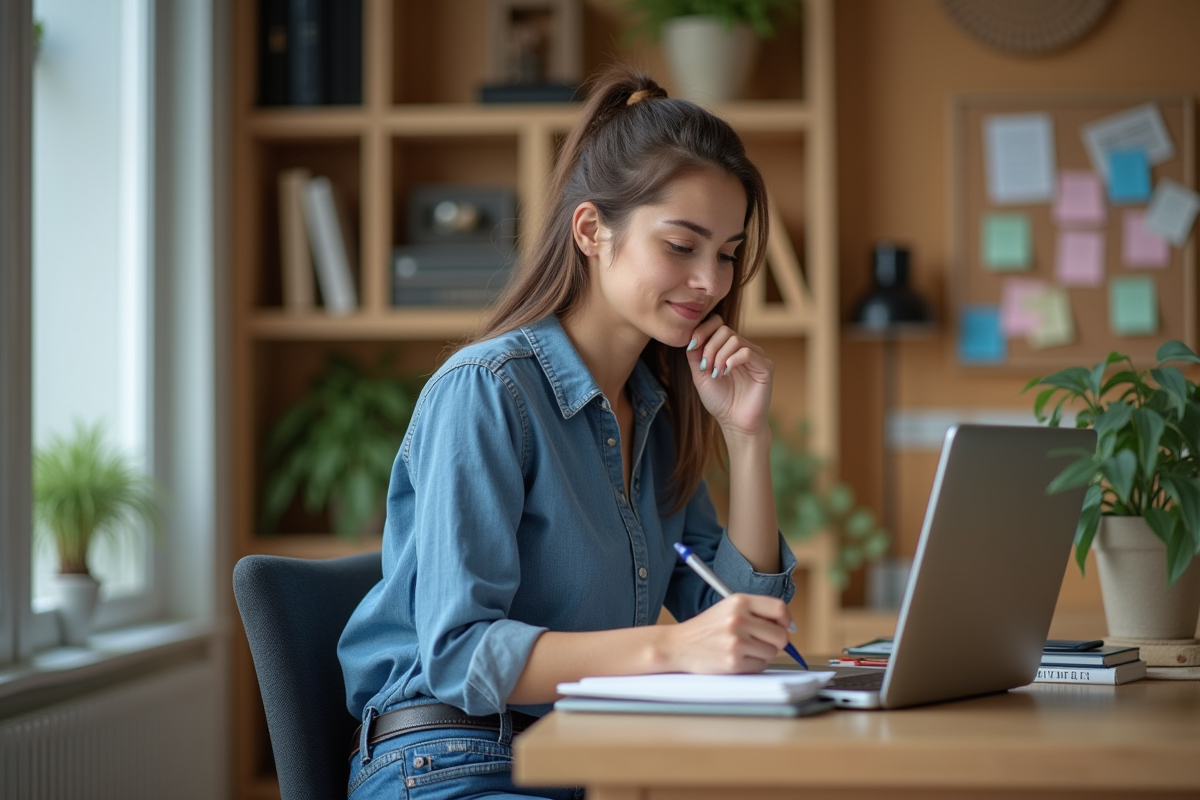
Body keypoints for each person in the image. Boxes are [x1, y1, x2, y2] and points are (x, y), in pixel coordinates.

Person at [338, 65, 799, 800]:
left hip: (588, 755)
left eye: (728, 252)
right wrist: (673, 646)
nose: (712, 281)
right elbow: (462, 655)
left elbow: (736, 625)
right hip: (454, 760)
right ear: (591, 230)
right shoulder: (486, 391)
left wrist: (746, 440)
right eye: (682, 246)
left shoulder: (656, 408)